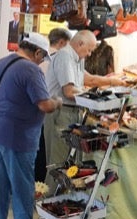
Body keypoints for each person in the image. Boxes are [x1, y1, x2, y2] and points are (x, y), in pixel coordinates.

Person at [0, 32, 61, 219]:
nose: (42, 62)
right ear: (37, 52)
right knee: (22, 187)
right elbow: (44, 104)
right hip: (17, 136)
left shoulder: (1, 63)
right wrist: (57, 102)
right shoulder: (30, 69)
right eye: (43, 57)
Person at [43, 29, 126, 171]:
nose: (89, 54)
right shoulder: (65, 57)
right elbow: (69, 91)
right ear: (80, 43)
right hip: (61, 113)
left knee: (70, 165)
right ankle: (53, 193)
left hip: (71, 112)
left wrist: (113, 81)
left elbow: (89, 79)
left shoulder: (77, 58)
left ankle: (63, 193)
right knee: (60, 164)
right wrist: (95, 97)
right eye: (89, 50)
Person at [35, 27, 72, 182]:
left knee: (38, 151)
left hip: (37, 111)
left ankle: (36, 184)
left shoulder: (42, 59)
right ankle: (40, 186)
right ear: (62, 42)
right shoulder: (55, 60)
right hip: (47, 110)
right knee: (44, 152)